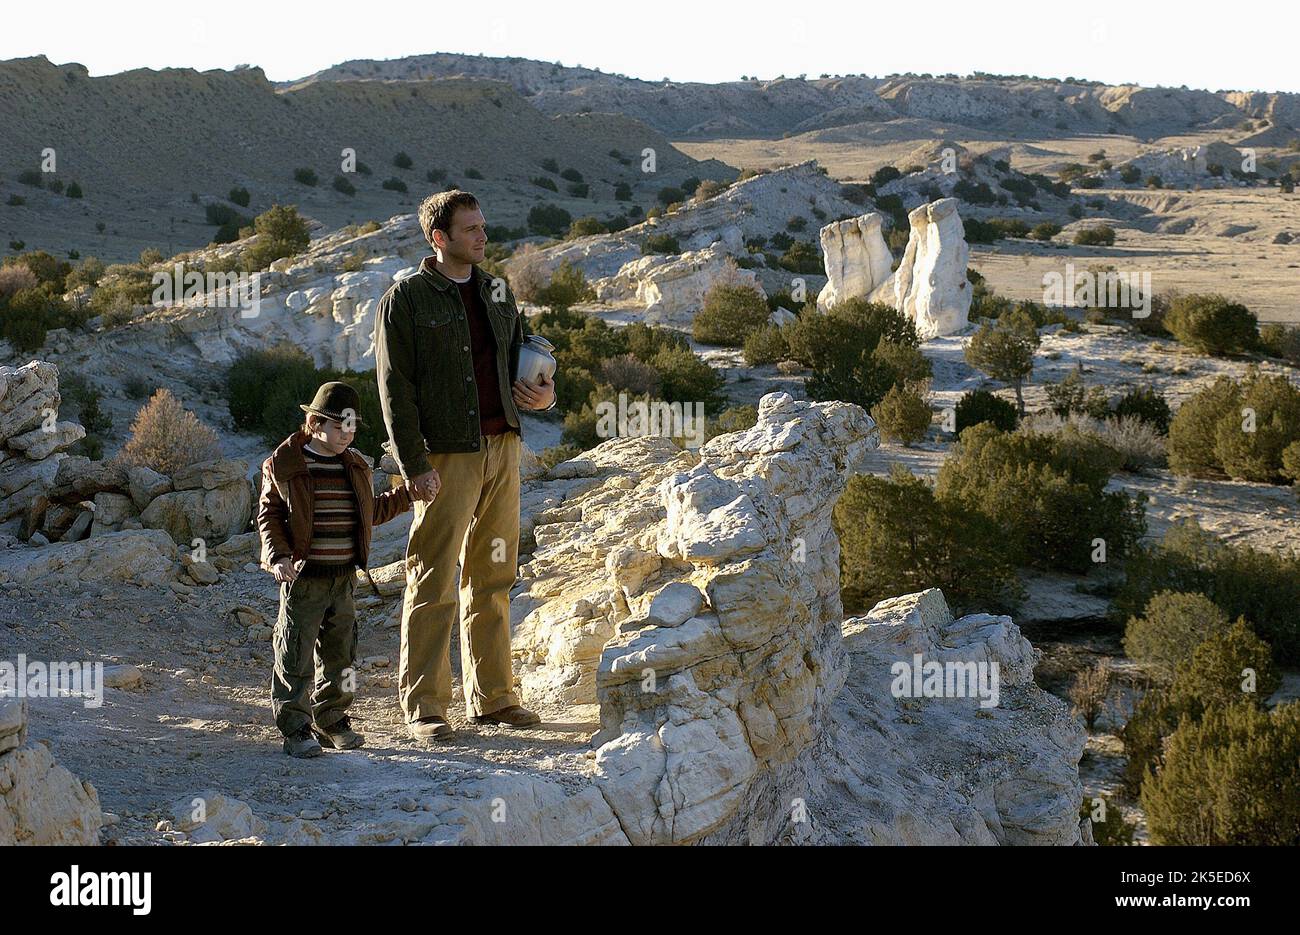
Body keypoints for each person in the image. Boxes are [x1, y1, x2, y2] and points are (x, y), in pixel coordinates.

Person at [374, 189, 556, 742]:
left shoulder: (497, 290)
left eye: (483, 226)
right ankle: (426, 706)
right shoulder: (406, 298)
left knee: (494, 574)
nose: (482, 237)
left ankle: (496, 698)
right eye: (471, 230)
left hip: (504, 446)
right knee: (433, 572)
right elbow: (394, 389)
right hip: (445, 454)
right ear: (440, 238)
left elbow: (529, 350)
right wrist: (413, 464)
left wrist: (545, 394)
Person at [256, 381, 418, 758]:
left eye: (352, 426)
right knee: (294, 653)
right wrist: (278, 557)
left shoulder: (356, 464)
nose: (347, 433)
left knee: (341, 654)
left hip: (344, 578)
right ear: (314, 423)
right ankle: (296, 728)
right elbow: (269, 516)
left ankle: (332, 719)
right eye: (339, 425)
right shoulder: (285, 464)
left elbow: (370, 513)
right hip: (304, 578)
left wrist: (406, 495)